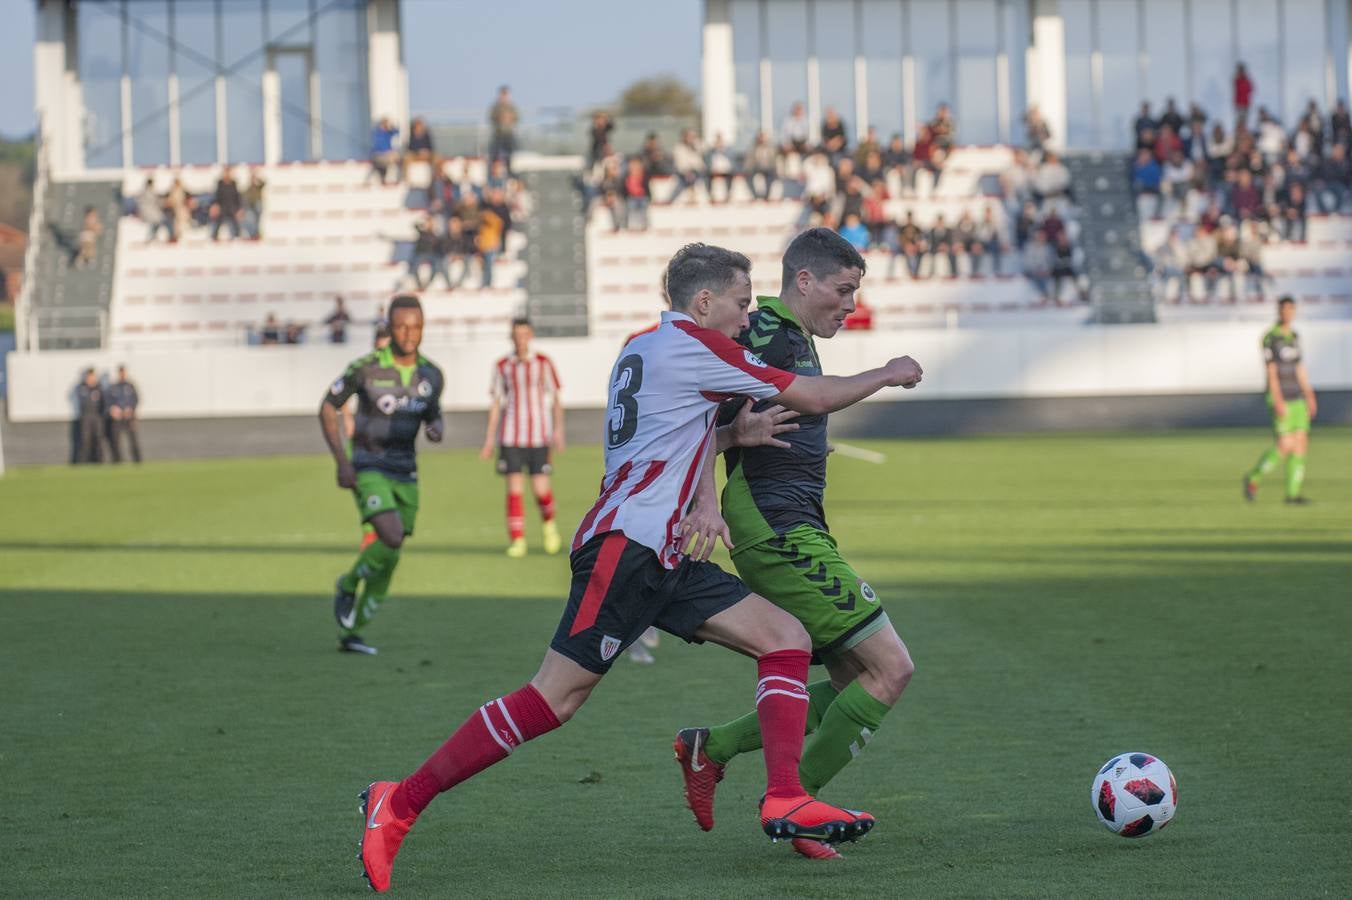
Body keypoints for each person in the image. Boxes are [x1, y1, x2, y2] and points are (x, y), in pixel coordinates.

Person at [355, 243, 924, 893]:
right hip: (628, 548)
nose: (748, 319)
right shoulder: (699, 348)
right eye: (741, 304)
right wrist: (888, 371)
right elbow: (814, 396)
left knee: (786, 638)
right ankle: (397, 801)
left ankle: (785, 797)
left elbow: (680, 429)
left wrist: (728, 454)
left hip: (671, 551)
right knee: (553, 698)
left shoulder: (646, 346)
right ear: (703, 302)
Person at [672, 228, 919, 861]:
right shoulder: (761, 332)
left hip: (791, 519)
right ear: (804, 282)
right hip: (776, 526)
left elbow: (755, 414)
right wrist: (886, 372)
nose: (850, 305)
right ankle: (794, 804)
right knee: (891, 668)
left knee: (852, 676)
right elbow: (695, 414)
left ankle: (714, 747)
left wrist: (802, 446)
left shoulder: (791, 338)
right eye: (843, 290)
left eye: (855, 293)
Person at [321, 295, 444, 656]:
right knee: (389, 536)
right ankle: (347, 584)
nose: (410, 333)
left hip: (406, 471)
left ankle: (353, 632)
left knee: (391, 553)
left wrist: (436, 427)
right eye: (403, 326)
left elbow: (433, 413)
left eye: (416, 326)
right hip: (368, 465)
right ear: (389, 327)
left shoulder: (432, 374)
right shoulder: (366, 367)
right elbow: (328, 408)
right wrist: (342, 463)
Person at [480, 318, 565, 558]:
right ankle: (518, 540)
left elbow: (556, 399)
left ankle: (549, 526)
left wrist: (558, 430)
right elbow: (496, 403)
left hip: (539, 436)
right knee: (514, 490)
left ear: (531, 335)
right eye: (516, 335)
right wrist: (489, 439)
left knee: (540, 489)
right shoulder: (502, 366)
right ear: (512, 337)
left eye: (524, 334)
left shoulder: (543, 363)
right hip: (510, 436)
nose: (521, 339)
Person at [1243, 296, 1317, 505]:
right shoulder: (1270, 338)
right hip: (1281, 396)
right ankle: (1253, 477)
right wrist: (1277, 399)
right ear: (1279, 311)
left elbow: (1300, 369)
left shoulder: (1294, 336)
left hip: (1298, 398)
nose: (1287, 313)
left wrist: (1310, 395)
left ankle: (1292, 494)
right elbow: (1271, 371)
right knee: (1285, 444)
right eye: (1284, 309)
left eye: (1290, 309)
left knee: (1301, 443)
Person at [106, 365, 141, 464]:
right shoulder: (113, 387)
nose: (122, 374)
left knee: (133, 440)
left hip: (129, 417)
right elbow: (108, 402)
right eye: (121, 373)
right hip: (117, 418)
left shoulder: (130, 386)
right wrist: (113, 409)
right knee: (116, 441)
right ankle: (117, 461)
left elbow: (136, 400)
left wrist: (131, 409)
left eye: (124, 372)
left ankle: (137, 461)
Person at [74, 368, 105, 463]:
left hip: (97, 416)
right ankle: (82, 462)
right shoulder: (82, 388)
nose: (91, 378)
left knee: (98, 439)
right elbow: (83, 402)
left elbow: (103, 403)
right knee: (85, 440)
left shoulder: (99, 388)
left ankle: (99, 462)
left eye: (92, 376)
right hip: (86, 417)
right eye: (89, 376)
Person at [488, 86, 519, 169]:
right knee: (495, 155)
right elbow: (491, 118)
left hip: (509, 134)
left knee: (510, 155)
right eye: (503, 94)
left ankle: (509, 170)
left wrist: (509, 119)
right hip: (498, 135)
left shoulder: (511, 107)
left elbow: (517, 118)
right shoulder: (496, 107)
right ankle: (494, 171)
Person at [210, 169, 243, 241]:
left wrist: (239, 209)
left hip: (232, 209)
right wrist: (215, 206)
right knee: (216, 220)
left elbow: (237, 198)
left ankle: (237, 237)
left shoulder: (234, 184)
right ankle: (213, 237)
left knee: (236, 223)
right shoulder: (220, 184)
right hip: (221, 208)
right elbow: (216, 197)